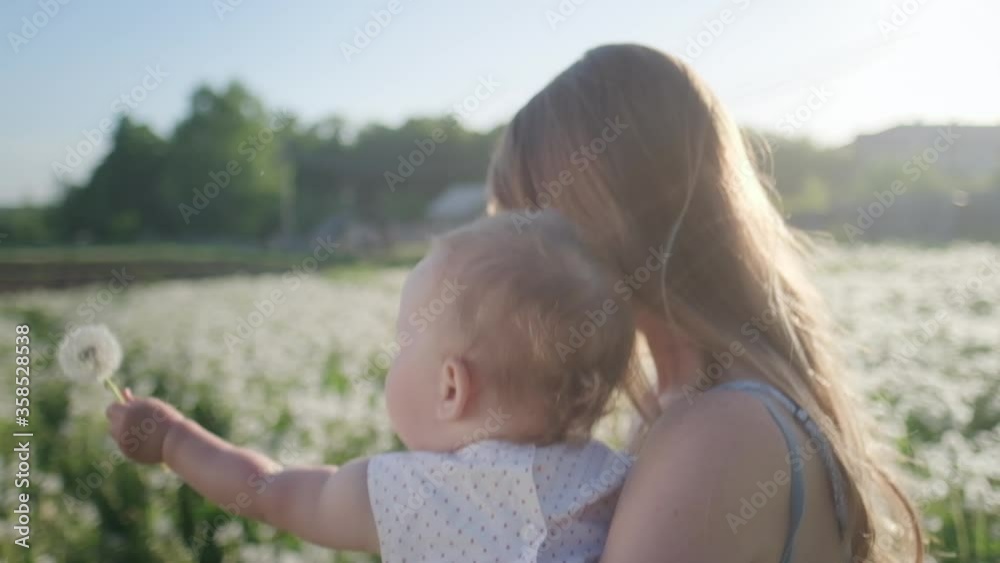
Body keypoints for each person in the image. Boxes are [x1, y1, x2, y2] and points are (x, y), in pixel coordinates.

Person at [487, 43, 923, 563]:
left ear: (612, 219)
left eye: (526, 226)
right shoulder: (682, 401)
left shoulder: (715, 433)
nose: (509, 268)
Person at [106, 210, 639, 562]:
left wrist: (173, 439)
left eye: (403, 342)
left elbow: (271, 492)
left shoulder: (418, 494)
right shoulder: (618, 479)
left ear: (452, 388)